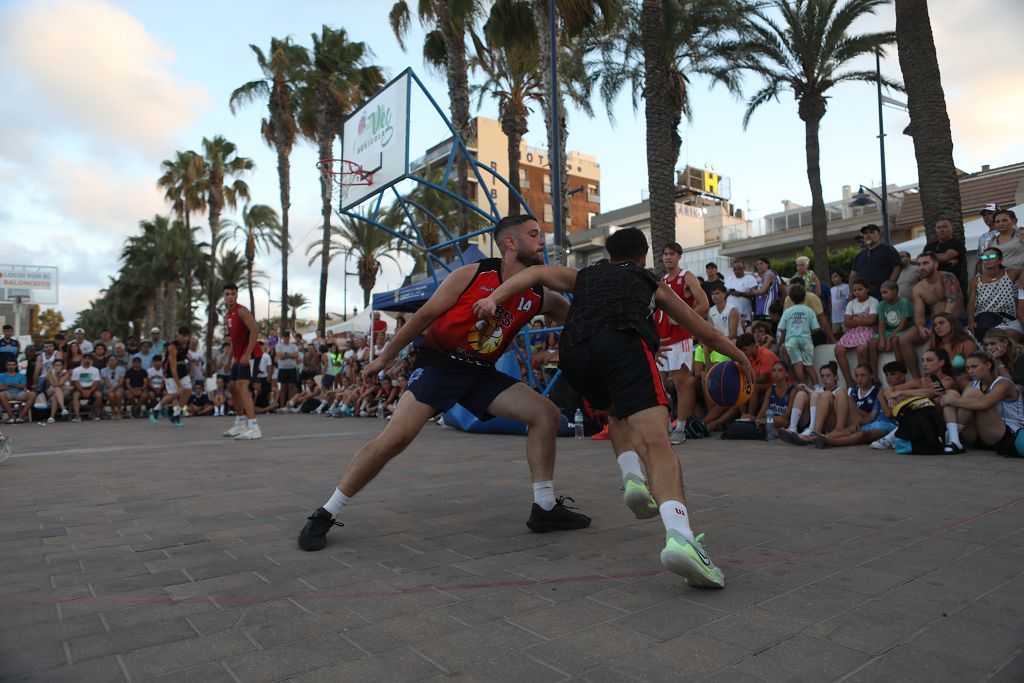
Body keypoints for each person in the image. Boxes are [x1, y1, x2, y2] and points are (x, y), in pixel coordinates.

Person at [473, 226, 754, 588]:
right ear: (643, 257)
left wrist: (494, 298)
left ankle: (632, 478)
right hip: (621, 344)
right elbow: (706, 332)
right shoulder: (649, 281)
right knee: (656, 444)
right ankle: (681, 538)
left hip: (575, 353)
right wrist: (740, 357)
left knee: (615, 409)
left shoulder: (584, 275)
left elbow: (537, 273)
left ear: (609, 256)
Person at [296, 215, 590, 554]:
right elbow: (423, 317)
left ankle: (545, 507)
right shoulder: (472, 275)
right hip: (440, 364)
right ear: (510, 243)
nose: (542, 241)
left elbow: (576, 318)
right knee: (395, 438)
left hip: (480, 372)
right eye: (534, 234)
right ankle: (326, 512)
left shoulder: (540, 295)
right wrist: (382, 359)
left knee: (545, 414)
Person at [654, 242, 709, 445]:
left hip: (681, 338)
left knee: (681, 382)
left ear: (679, 256)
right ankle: (667, 424)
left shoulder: (687, 277)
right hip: (662, 338)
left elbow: (704, 304)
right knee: (660, 384)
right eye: (665, 254)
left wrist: (683, 318)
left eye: (672, 254)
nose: (668, 257)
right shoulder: (662, 281)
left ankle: (681, 427)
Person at [896, 252, 966, 377]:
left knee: (934, 345)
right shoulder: (918, 288)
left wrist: (940, 323)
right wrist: (920, 327)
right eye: (919, 264)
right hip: (933, 321)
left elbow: (953, 300)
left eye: (925, 263)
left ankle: (948, 377)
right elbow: (919, 314)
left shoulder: (947, 277)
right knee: (904, 339)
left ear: (936, 264)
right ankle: (917, 378)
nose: (921, 267)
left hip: (954, 319)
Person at [941, 351, 1023, 455]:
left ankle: (950, 437)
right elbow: (961, 407)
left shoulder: (1003, 383)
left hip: (1007, 436)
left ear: (988, 365)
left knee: (969, 395)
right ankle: (953, 439)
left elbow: (983, 404)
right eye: (968, 368)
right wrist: (946, 398)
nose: (970, 371)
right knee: (951, 393)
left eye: (974, 367)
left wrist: (950, 400)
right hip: (978, 436)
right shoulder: (972, 384)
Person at [872, 349, 957, 449]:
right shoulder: (921, 381)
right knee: (904, 398)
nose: (924, 364)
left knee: (916, 400)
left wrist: (901, 392)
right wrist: (891, 397)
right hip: (923, 421)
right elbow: (889, 389)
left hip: (941, 422)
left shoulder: (948, 380)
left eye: (929, 360)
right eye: (923, 360)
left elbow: (932, 392)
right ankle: (896, 436)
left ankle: (893, 436)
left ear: (941, 362)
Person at [222, 283, 263, 440]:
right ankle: (240, 423)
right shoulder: (228, 315)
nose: (230, 297)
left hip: (251, 355)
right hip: (239, 357)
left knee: (242, 387)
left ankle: (254, 427)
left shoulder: (241, 311)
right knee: (232, 387)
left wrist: (247, 353)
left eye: (233, 294)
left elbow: (255, 330)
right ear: (224, 296)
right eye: (227, 294)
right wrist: (228, 359)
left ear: (237, 295)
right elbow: (234, 339)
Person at [780, 361, 842, 442]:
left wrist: (809, 390)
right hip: (810, 420)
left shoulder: (839, 391)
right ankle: (792, 428)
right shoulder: (819, 389)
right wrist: (806, 391)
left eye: (828, 375)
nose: (824, 378)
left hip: (827, 424)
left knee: (815, 395)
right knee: (801, 394)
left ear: (835, 377)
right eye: (822, 376)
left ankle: (813, 430)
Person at [834, 280, 879, 387]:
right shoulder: (851, 303)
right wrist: (862, 319)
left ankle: (864, 379)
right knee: (838, 349)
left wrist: (854, 318)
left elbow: (871, 321)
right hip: (853, 331)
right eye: (855, 290)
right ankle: (849, 381)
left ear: (867, 289)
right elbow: (846, 322)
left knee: (861, 348)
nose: (857, 292)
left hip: (868, 330)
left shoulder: (873, 301)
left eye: (860, 289)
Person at [967, 247, 1017, 340]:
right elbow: (971, 304)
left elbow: (1021, 270)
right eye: (984, 257)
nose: (987, 259)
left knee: (996, 334)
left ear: (1000, 260)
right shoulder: (975, 280)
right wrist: (971, 321)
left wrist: (1022, 275)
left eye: (992, 256)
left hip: (1005, 318)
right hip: (983, 318)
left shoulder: (1010, 274)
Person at [777, 283, 820, 385]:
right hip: (806, 340)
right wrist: (807, 332)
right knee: (809, 366)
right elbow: (816, 328)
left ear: (790, 298)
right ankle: (817, 387)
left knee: (797, 364)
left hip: (791, 341)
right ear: (804, 296)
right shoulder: (809, 311)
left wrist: (781, 341)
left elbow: (782, 329)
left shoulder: (787, 311)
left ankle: (803, 387)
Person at [153, 326, 192, 427]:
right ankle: (156, 409)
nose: (184, 338)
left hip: (182, 368)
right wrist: (179, 384)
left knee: (188, 390)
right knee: (175, 393)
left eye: (186, 336)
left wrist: (190, 359)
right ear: (179, 336)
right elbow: (173, 368)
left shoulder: (187, 343)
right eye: (182, 336)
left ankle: (176, 414)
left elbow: (183, 354)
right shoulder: (172, 347)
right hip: (170, 371)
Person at [850, 224, 901, 299]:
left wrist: (889, 287)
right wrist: (853, 292)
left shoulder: (888, 249)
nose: (868, 235)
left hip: (882, 297)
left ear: (879, 235)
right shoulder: (859, 256)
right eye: (865, 233)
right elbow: (853, 276)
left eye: (871, 232)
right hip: (863, 299)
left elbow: (897, 268)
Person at [930, 312, 978, 389]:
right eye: (935, 325)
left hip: (965, 380)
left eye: (941, 323)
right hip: (943, 382)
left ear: (952, 324)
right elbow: (930, 371)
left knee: (962, 380)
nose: (937, 327)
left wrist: (963, 376)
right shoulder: (935, 346)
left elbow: (977, 368)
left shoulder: (966, 344)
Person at [747, 361, 795, 433]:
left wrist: (766, 420)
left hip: (781, 421)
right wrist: (758, 420)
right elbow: (763, 411)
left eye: (780, 370)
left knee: (777, 420)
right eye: (774, 370)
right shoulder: (770, 390)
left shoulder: (792, 390)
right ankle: (761, 428)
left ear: (786, 374)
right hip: (767, 421)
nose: (776, 373)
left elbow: (788, 414)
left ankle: (764, 429)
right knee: (745, 416)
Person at [875, 280, 913, 370]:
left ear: (895, 291)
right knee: (872, 342)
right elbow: (881, 323)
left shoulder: (904, 302)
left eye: (885, 292)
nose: (883, 295)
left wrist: (889, 338)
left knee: (895, 340)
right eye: (881, 293)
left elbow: (903, 324)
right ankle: (874, 373)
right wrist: (882, 339)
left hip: (903, 329)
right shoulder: (881, 305)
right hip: (889, 330)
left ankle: (900, 368)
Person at [924, 217, 966, 283]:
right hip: (932, 284)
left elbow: (944, 257)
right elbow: (923, 260)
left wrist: (930, 256)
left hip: (951, 283)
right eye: (939, 228)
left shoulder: (957, 244)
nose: (941, 230)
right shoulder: (929, 246)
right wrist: (946, 261)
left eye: (944, 227)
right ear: (935, 230)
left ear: (951, 228)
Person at [70, 354, 103, 421]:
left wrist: (90, 391)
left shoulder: (95, 370)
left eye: (89, 359)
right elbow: (76, 383)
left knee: (99, 395)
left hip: (91, 388)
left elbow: (96, 383)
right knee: (75, 395)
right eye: (85, 358)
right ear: (82, 360)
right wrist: (82, 391)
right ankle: (77, 416)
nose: (87, 360)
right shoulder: (76, 370)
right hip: (80, 388)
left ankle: (95, 414)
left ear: (91, 360)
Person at [724, 259, 758, 324]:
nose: (737, 271)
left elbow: (754, 294)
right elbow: (723, 295)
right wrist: (728, 292)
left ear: (744, 268)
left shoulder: (750, 278)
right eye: (735, 269)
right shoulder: (729, 279)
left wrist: (740, 294)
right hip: (729, 314)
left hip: (745, 315)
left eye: (739, 269)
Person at [0, 359, 32, 424]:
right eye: (9, 365)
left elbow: (23, 386)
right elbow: (0, 387)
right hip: (7, 393)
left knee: (33, 394)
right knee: (1, 394)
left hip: (19, 393)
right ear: (6, 366)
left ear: (16, 366)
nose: (11, 367)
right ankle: (12, 417)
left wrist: (9, 385)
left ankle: (21, 417)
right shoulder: (1, 375)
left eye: (13, 365)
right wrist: (17, 385)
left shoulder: (21, 376)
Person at [751, 257, 782, 321]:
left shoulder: (769, 274)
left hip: (767, 309)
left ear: (767, 265)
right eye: (757, 264)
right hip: (761, 309)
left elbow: (763, 291)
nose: (759, 266)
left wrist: (753, 291)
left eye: (761, 263)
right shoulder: (763, 276)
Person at [43, 359, 70, 423]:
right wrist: (57, 376)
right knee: (57, 389)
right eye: (56, 365)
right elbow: (54, 385)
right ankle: (63, 408)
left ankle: (52, 417)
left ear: (62, 366)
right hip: (51, 390)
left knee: (55, 396)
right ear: (53, 366)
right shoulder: (50, 373)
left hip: (64, 389)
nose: (57, 367)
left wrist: (58, 376)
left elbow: (60, 384)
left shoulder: (65, 373)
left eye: (59, 365)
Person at [100, 355, 125, 420]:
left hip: (118, 387)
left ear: (116, 361)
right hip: (108, 387)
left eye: (114, 360)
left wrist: (113, 389)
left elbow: (121, 382)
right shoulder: (103, 370)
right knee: (111, 395)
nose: (112, 361)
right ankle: (113, 412)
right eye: (111, 360)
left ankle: (119, 412)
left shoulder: (121, 369)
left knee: (118, 395)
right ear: (108, 361)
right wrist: (111, 389)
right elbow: (106, 381)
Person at [829, 272, 850, 337]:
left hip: (845, 318)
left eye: (835, 276)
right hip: (835, 319)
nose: (833, 279)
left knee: (847, 336)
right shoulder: (831, 289)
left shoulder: (847, 287)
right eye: (832, 277)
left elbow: (849, 301)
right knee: (836, 337)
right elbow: (831, 304)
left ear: (841, 277)